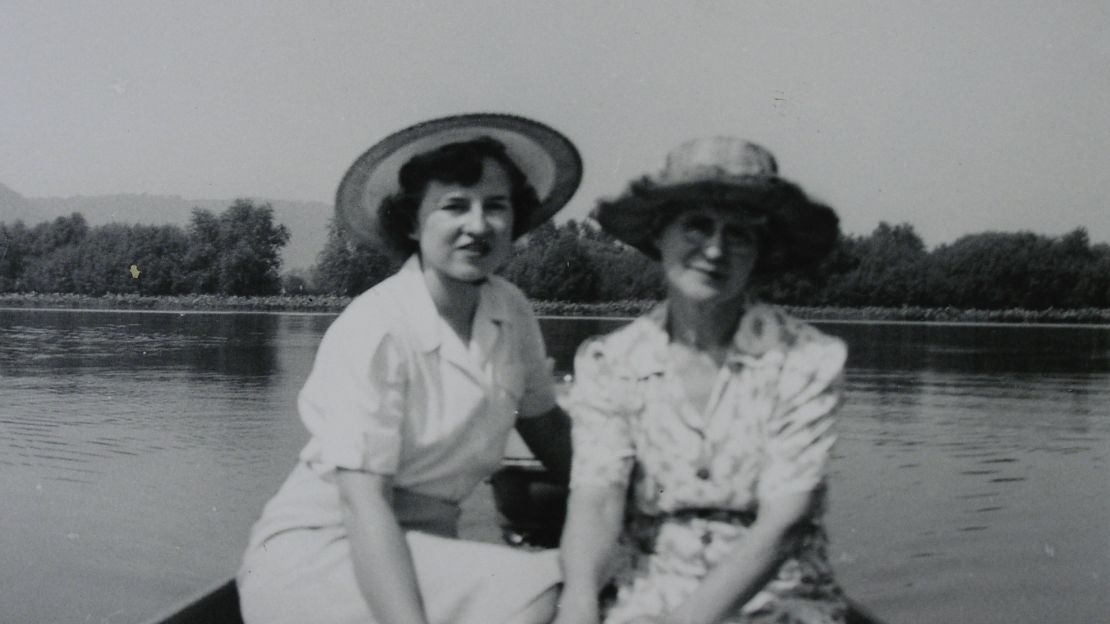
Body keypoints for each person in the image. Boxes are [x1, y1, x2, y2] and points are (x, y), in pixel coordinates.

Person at [237, 113, 582, 624]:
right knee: (543, 590)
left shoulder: (510, 308)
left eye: (496, 207)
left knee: (590, 586)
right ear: (413, 223)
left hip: (425, 550)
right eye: (454, 207)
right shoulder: (376, 326)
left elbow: (550, 428)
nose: (478, 225)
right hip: (326, 552)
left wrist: (652, 507)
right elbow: (363, 506)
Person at [555, 137, 848, 624]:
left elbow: (785, 522)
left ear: (761, 252)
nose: (714, 249)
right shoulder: (610, 361)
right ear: (659, 234)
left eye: (739, 234)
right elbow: (598, 498)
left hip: (779, 597)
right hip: (647, 590)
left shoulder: (809, 359)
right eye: (696, 225)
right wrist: (579, 602)